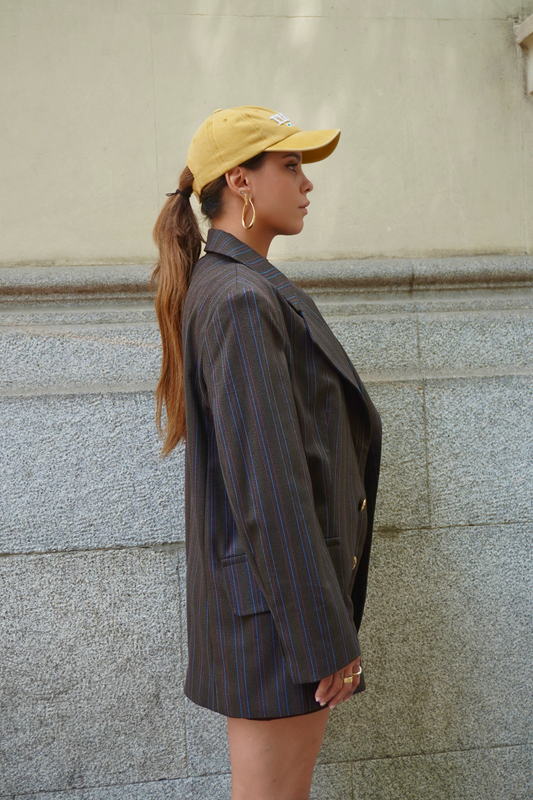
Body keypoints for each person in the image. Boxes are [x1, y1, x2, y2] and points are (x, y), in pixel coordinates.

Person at [151, 106, 382, 800]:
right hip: (282, 620)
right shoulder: (240, 297)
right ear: (240, 181)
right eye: (290, 165)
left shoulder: (233, 286)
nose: (306, 183)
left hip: (273, 609)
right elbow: (268, 488)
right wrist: (322, 638)